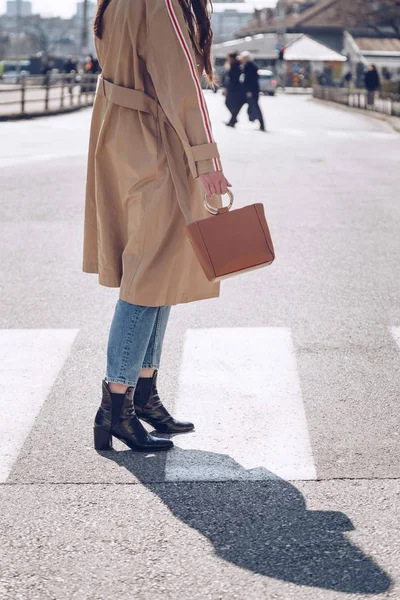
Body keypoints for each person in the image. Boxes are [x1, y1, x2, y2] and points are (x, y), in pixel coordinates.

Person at [84, 0, 231, 452]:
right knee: (149, 275)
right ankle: (116, 404)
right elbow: (181, 83)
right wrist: (205, 158)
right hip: (156, 142)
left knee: (157, 267)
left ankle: (143, 394)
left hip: (122, 136)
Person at [240, 51, 266, 132]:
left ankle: (261, 124)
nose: (242, 60)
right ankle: (233, 120)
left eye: (243, 58)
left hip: (252, 91)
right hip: (251, 90)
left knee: (255, 107)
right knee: (253, 107)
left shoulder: (250, 67)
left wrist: (249, 90)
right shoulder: (248, 66)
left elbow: (251, 80)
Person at [223, 51, 246, 128]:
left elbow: (234, 79)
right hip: (232, 88)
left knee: (230, 104)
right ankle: (233, 120)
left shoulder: (236, 66)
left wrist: (228, 88)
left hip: (235, 89)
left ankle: (233, 120)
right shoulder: (233, 65)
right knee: (230, 104)